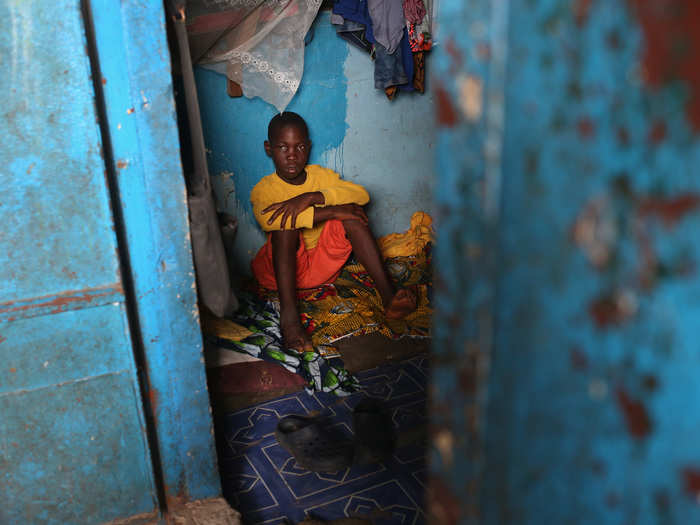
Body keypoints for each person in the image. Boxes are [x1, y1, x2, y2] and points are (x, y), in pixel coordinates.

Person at [250, 111, 417, 351]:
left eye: (299, 147)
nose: (292, 156)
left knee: (354, 215)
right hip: (280, 275)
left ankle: (389, 296)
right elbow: (269, 221)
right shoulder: (264, 189)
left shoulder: (320, 176)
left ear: (308, 147)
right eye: (282, 147)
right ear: (269, 148)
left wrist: (312, 197)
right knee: (285, 227)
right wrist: (331, 211)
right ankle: (290, 320)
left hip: (322, 267)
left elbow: (362, 195)